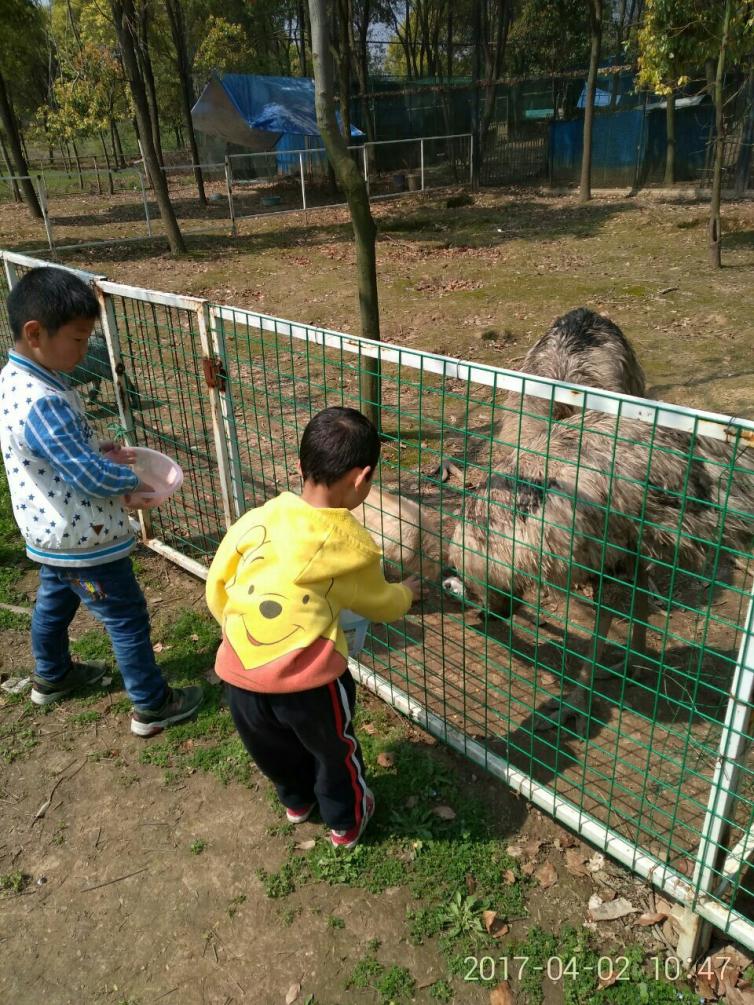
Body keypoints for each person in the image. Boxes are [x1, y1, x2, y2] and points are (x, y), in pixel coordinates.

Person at [0, 266, 203, 736]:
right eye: (78, 338)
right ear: (35, 333)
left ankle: (51, 677)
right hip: (85, 538)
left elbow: (58, 455)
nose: (85, 349)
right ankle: (151, 704)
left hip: (50, 532)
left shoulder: (16, 379)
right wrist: (129, 481)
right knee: (125, 616)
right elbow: (89, 477)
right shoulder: (43, 399)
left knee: (54, 602)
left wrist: (97, 452)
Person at [205, 406, 421, 849]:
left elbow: (216, 585)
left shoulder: (256, 519)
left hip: (239, 672)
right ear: (362, 479)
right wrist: (409, 592)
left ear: (300, 466)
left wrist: (234, 625)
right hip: (309, 683)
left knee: (270, 748)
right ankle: (346, 821)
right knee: (334, 752)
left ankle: (297, 801)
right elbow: (380, 605)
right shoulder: (352, 546)